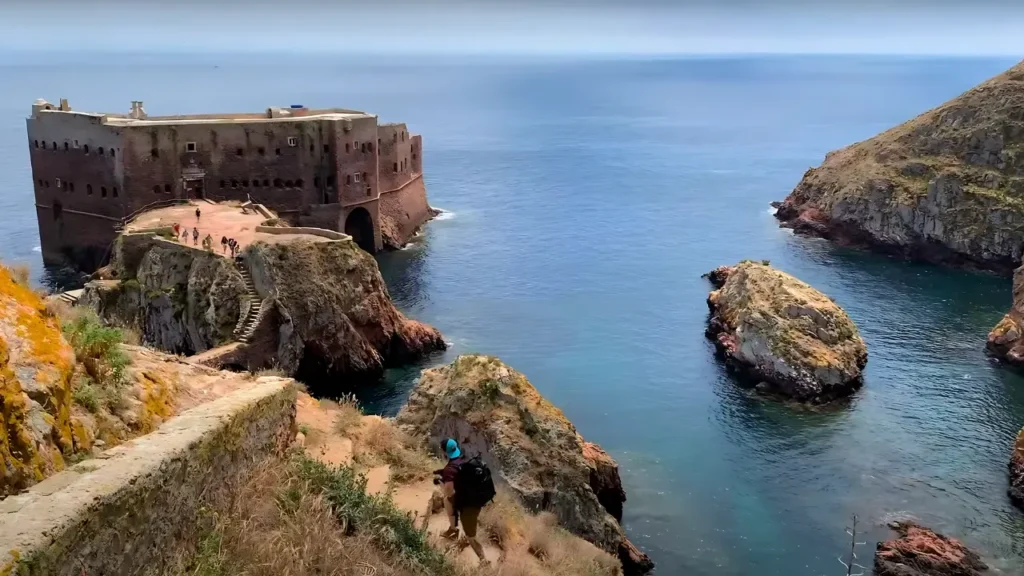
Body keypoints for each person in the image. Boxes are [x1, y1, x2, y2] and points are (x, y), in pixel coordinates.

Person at [437, 438, 494, 566]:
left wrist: (442, 483)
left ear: (444, 452)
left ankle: (484, 560)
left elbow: (449, 492)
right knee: (447, 501)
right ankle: (453, 529)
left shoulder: (449, 470)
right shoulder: (464, 459)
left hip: (470, 506)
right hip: (475, 497)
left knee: (471, 536)